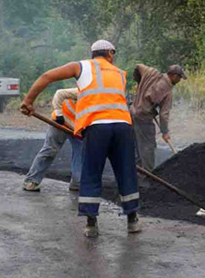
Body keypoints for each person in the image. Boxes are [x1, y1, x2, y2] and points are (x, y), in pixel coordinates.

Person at [20, 40, 141, 238]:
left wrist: (28, 101)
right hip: (123, 127)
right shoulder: (120, 73)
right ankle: (132, 220)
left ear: (93, 53)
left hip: (96, 127)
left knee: (91, 172)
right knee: (126, 171)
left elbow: (47, 76)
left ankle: (91, 224)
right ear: (110, 53)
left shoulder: (81, 66)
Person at [22, 88, 83, 192]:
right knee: (50, 150)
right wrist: (59, 115)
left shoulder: (107, 105)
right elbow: (59, 93)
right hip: (60, 123)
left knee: (81, 153)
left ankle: (77, 182)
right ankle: (31, 181)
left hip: (78, 129)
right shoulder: (84, 92)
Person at [131, 64, 186, 171]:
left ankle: (136, 174)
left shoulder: (151, 73)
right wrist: (165, 132)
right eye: (180, 77)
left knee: (137, 146)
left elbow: (137, 66)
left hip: (132, 114)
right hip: (143, 118)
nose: (180, 80)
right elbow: (164, 114)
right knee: (148, 147)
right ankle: (147, 176)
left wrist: (139, 82)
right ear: (174, 76)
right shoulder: (168, 91)